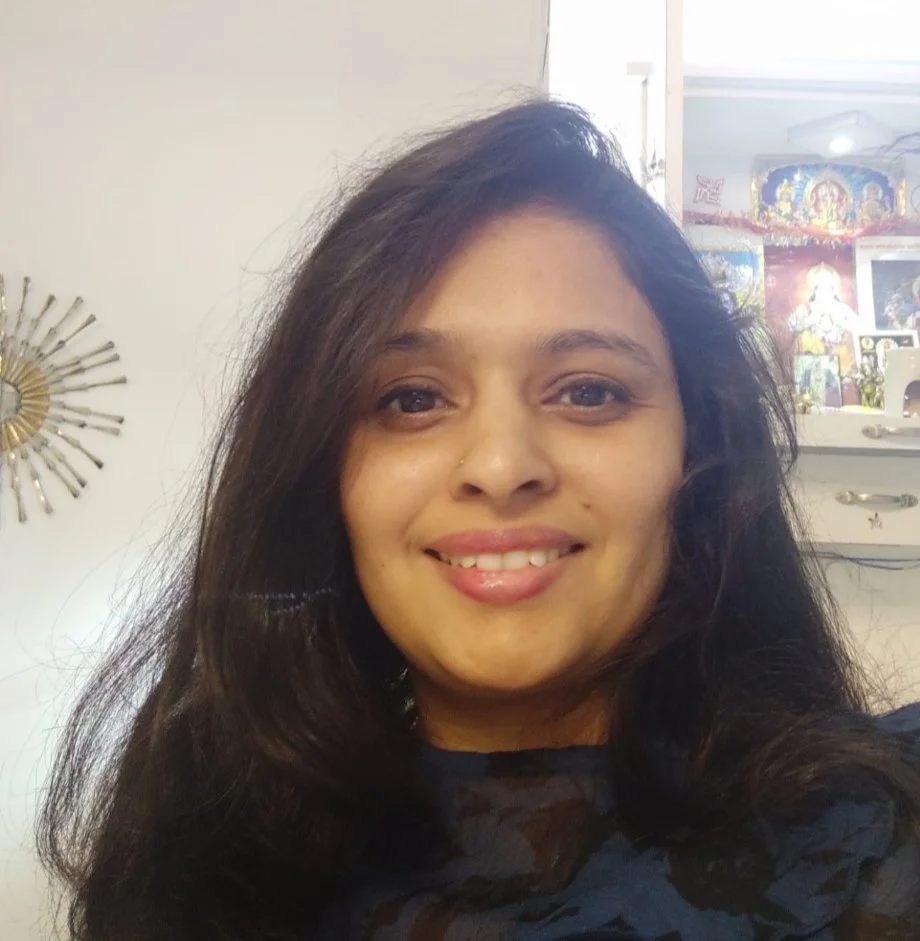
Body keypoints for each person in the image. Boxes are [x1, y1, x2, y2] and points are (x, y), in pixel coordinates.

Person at [39, 100, 920, 941]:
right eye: (413, 398)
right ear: (321, 470)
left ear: (698, 452)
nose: (501, 467)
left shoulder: (881, 843)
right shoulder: (193, 855)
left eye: (588, 391)